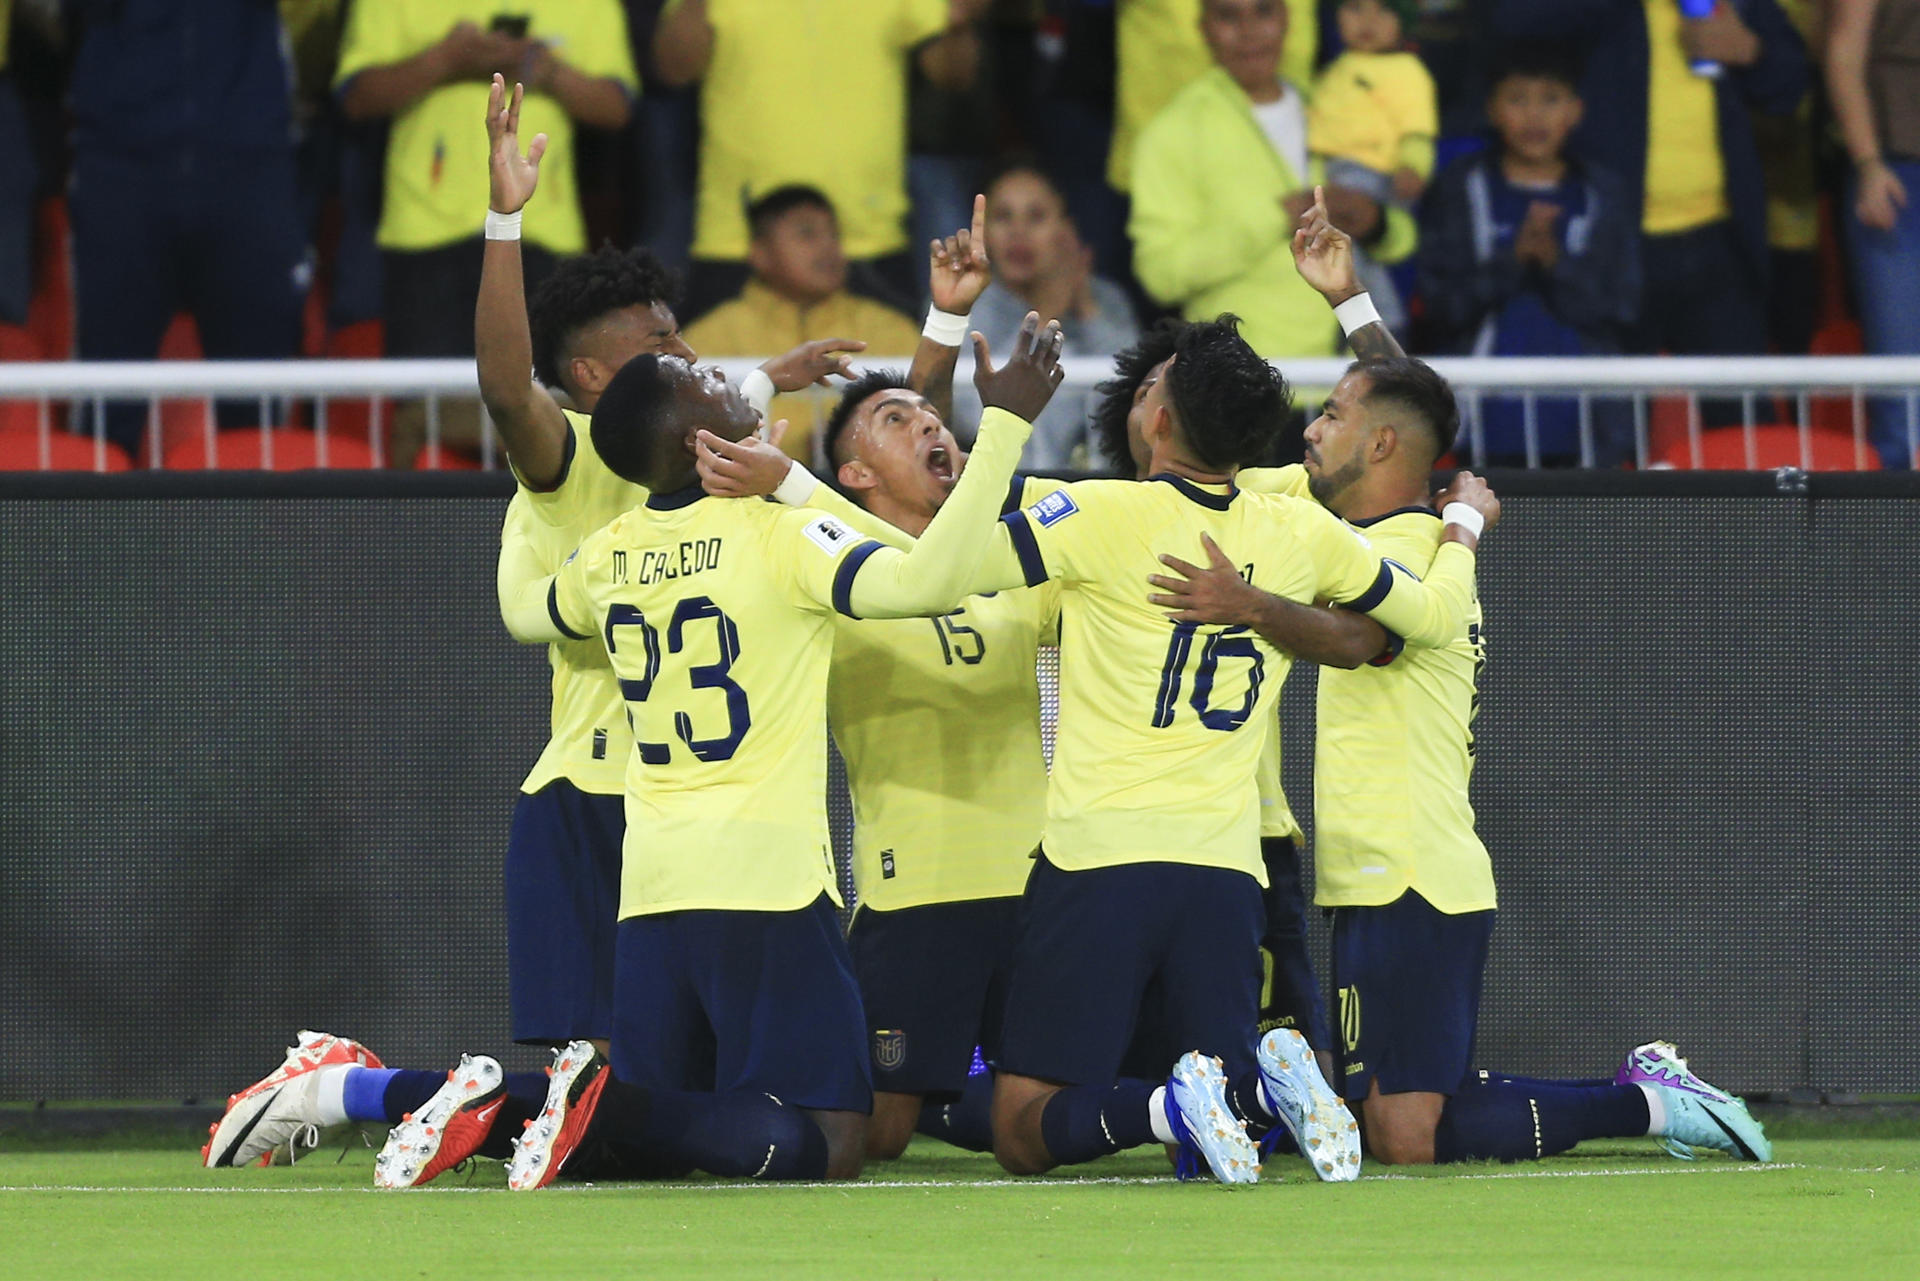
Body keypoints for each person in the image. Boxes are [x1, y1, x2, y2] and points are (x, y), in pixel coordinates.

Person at [198, 77, 945, 1181]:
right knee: (618, 1110)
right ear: (599, 377)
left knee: (629, 1121)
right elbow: (509, 384)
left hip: (674, 816)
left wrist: (792, 385)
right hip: (609, 800)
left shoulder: (698, 461)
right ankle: (359, 1087)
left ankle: (355, 1086)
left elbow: (839, 455)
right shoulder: (576, 461)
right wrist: (505, 222)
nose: (683, 350)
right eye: (661, 340)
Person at [1144, 208, 1774, 1169]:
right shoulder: (1376, 525)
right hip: (1365, 872)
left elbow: (1361, 638)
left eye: (1331, 417)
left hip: (1415, 873)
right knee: (1387, 1123)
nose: (1311, 430)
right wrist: (1349, 301)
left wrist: (1249, 602)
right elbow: (1406, 409)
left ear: (1383, 449)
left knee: (1407, 1135)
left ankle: (1647, 1104)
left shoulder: (1411, 548)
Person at [495, 315, 1069, 1188]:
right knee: (836, 1143)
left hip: (649, 885)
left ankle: (540, 1108)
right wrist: (1009, 429)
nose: (739, 386)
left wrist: (529, 515)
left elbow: (525, 612)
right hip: (765, 878)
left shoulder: (607, 554)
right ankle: (565, 1106)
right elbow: (927, 582)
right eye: (719, 386)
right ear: (699, 437)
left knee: (669, 1133)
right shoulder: (781, 535)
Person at [334, 0, 638, 464]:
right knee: (421, 416)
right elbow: (356, 97)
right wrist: (447, 59)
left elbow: (616, 107)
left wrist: (544, 69)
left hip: (546, 234)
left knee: (551, 417)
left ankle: (550, 535)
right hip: (423, 233)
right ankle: (408, 534)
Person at [1487, 0, 1808, 395]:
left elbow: (1791, 85)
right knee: (1615, 424)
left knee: (1738, 425)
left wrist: (1750, 51)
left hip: (1721, 242)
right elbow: (1509, 19)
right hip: (1610, 245)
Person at [65, 0, 308, 458]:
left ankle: (258, 533)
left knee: (257, 421)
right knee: (104, 409)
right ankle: (88, 531)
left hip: (249, 165)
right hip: (119, 168)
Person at [1128, 0, 1418, 360]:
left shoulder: (1333, 108)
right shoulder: (1172, 131)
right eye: (1228, 16)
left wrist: (1375, 221)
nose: (1248, 31)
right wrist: (1280, 216)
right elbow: (1160, 275)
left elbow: (1403, 240)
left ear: (1287, 19)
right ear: (1203, 27)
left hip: (1349, 386)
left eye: (1263, 11)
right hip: (1245, 385)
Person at [652, 0, 956, 316]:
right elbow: (673, 71)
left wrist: (958, 27)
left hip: (869, 238)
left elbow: (951, 74)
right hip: (735, 239)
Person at [1419, 45, 1640, 466]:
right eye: (1517, 99)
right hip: (1479, 428)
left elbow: (1624, 307)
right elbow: (1440, 305)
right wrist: (1513, 261)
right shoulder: (1461, 187)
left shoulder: (1603, 192)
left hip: (1589, 428)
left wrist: (1556, 263)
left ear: (1576, 111)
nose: (1534, 116)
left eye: (1550, 99)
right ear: (1492, 109)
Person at [684, 187, 923, 466]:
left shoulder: (890, 328)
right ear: (759, 253)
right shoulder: (709, 336)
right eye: (807, 234)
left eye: (834, 234)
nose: (829, 247)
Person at [972, 164, 1140, 470]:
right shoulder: (967, 302)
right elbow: (972, 417)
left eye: (1036, 217)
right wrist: (1047, 311)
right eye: (1003, 216)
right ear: (983, 235)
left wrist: (1085, 305)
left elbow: (1134, 397)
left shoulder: (1106, 297)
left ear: (1066, 230)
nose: (1017, 232)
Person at [1827, 0, 1920, 468]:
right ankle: (1902, 532)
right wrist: (1867, 164)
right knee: (1905, 395)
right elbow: (1844, 51)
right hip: (1899, 177)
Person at [1306, 0, 1437, 333]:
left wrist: (1413, 167)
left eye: (1383, 11)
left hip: (1372, 176)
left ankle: (1383, 320)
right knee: (1336, 251)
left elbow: (1417, 133)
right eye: (1355, 9)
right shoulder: (1334, 69)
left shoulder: (1408, 71)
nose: (1368, 21)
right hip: (1331, 172)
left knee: (1348, 252)